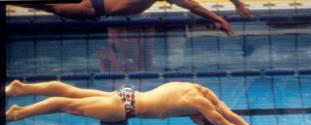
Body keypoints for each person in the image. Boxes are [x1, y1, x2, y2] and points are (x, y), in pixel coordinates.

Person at [6, 79, 272, 125]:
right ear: (206, 119)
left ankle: (23, 89)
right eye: (200, 123)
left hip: (128, 96)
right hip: (126, 108)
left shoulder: (202, 92)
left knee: (73, 93)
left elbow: (235, 118)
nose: (193, 121)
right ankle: (21, 112)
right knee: (67, 104)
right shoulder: (199, 104)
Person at [10, 1, 250, 35]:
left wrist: (237, 3)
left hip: (92, 6)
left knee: (43, 5)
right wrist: (218, 17)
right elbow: (191, 5)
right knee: (45, 5)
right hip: (89, 8)